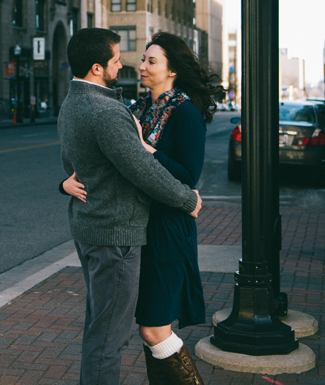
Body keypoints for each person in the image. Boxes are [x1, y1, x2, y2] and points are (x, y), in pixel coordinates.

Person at [64, 32, 221, 385]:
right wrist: (64, 183)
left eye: (152, 61)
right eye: (143, 59)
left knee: (152, 328)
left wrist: (145, 149)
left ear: (172, 70)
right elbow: (95, 155)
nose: (141, 65)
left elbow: (188, 176)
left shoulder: (185, 113)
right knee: (137, 327)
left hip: (166, 229)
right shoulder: (137, 108)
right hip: (137, 227)